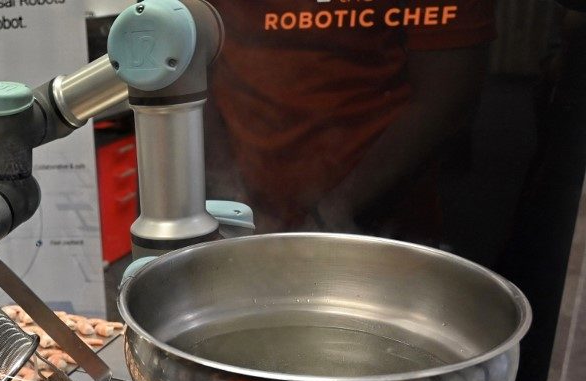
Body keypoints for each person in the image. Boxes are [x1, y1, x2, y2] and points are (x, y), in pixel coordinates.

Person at [208, 0, 496, 245]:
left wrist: (332, 214)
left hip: (379, 217)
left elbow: (447, 100)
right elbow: (191, 59)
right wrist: (232, 198)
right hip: (242, 208)